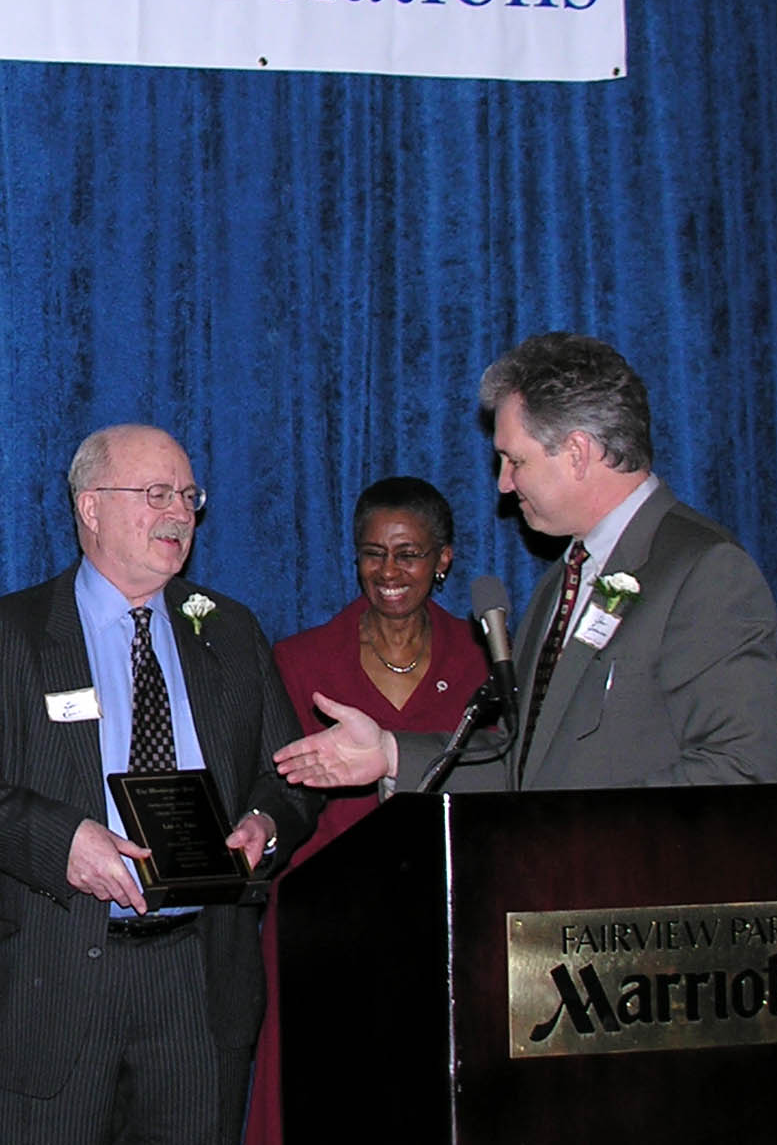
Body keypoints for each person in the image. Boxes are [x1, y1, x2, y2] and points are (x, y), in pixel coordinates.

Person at [0, 424, 318, 1145]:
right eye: (157, 494)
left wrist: (264, 822)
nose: (180, 514)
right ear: (90, 507)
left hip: (198, 980)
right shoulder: (1, 635)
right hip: (57, 979)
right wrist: (64, 840)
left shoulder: (228, 630)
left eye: (190, 497)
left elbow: (288, 775)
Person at [274, 333, 777, 795]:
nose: (503, 483)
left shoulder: (704, 570)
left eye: (515, 460)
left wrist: (571, 837)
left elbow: (739, 770)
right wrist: (388, 752)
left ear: (579, 452)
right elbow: (522, 768)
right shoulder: (558, 585)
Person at [244, 477, 488, 1145]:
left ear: (443, 559)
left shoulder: (484, 660)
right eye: (372, 553)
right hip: (321, 927)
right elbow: (274, 790)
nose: (388, 571)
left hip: (446, 928)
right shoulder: (299, 661)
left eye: (408, 553)